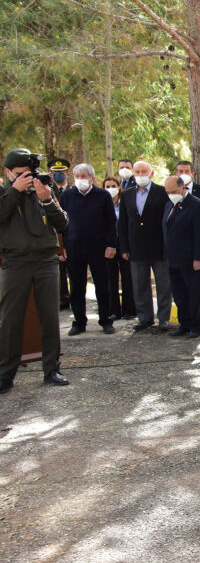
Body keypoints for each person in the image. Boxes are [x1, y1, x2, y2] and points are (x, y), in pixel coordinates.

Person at [0, 148, 70, 391]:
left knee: (49, 317)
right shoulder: (4, 192)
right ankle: (5, 375)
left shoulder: (42, 189)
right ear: (8, 172)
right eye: (20, 174)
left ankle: (52, 369)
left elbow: (62, 223)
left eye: (29, 173)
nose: (27, 178)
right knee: (10, 319)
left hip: (46, 261)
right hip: (15, 262)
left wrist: (47, 199)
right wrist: (14, 191)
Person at [60, 163, 117, 336]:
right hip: (74, 247)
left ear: (91, 178)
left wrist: (111, 244)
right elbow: (60, 223)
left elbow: (111, 222)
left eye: (83, 176)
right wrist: (61, 247)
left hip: (98, 247)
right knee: (76, 286)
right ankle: (79, 322)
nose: (80, 180)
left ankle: (106, 320)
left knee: (102, 285)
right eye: (77, 176)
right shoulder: (67, 196)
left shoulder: (103, 195)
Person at [118, 160, 172, 331]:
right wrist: (124, 247)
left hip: (159, 247)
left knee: (163, 285)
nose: (140, 175)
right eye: (137, 172)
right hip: (136, 247)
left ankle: (163, 319)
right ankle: (145, 318)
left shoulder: (162, 192)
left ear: (151, 174)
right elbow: (123, 223)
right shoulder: (127, 194)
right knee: (140, 284)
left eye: (144, 172)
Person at [162, 175, 200, 338]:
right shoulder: (169, 204)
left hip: (190, 259)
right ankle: (184, 323)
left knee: (194, 293)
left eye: (173, 191)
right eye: (168, 192)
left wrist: (198, 258)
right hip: (172, 258)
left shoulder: (197, 205)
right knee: (179, 294)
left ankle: (196, 326)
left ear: (183, 188)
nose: (170, 194)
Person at [176, 160, 200, 306]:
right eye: (180, 171)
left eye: (186, 171)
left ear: (193, 173)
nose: (183, 174)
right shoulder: (173, 191)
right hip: (181, 242)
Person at [101, 177, 136, 321]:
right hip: (108, 244)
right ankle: (114, 310)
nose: (111, 189)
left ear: (119, 187)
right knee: (111, 277)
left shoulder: (124, 202)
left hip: (124, 243)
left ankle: (129, 309)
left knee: (127, 276)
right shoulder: (102, 203)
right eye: (107, 186)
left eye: (113, 186)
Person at [49, 157, 72, 310]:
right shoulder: (47, 191)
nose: (59, 175)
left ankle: (76, 297)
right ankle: (62, 298)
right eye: (55, 172)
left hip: (74, 234)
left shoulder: (74, 189)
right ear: (51, 174)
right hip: (57, 235)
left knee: (76, 270)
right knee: (60, 270)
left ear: (67, 173)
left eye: (62, 172)